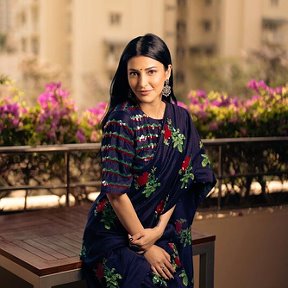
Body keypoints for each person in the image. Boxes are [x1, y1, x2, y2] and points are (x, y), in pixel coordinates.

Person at [80, 33, 216, 288]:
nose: (142, 82)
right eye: (134, 73)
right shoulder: (122, 120)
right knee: (146, 280)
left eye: (151, 72)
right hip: (115, 233)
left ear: (167, 72)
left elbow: (182, 183)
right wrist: (145, 245)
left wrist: (158, 231)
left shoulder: (181, 119)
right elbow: (115, 194)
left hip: (160, 229)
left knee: (175, 278)